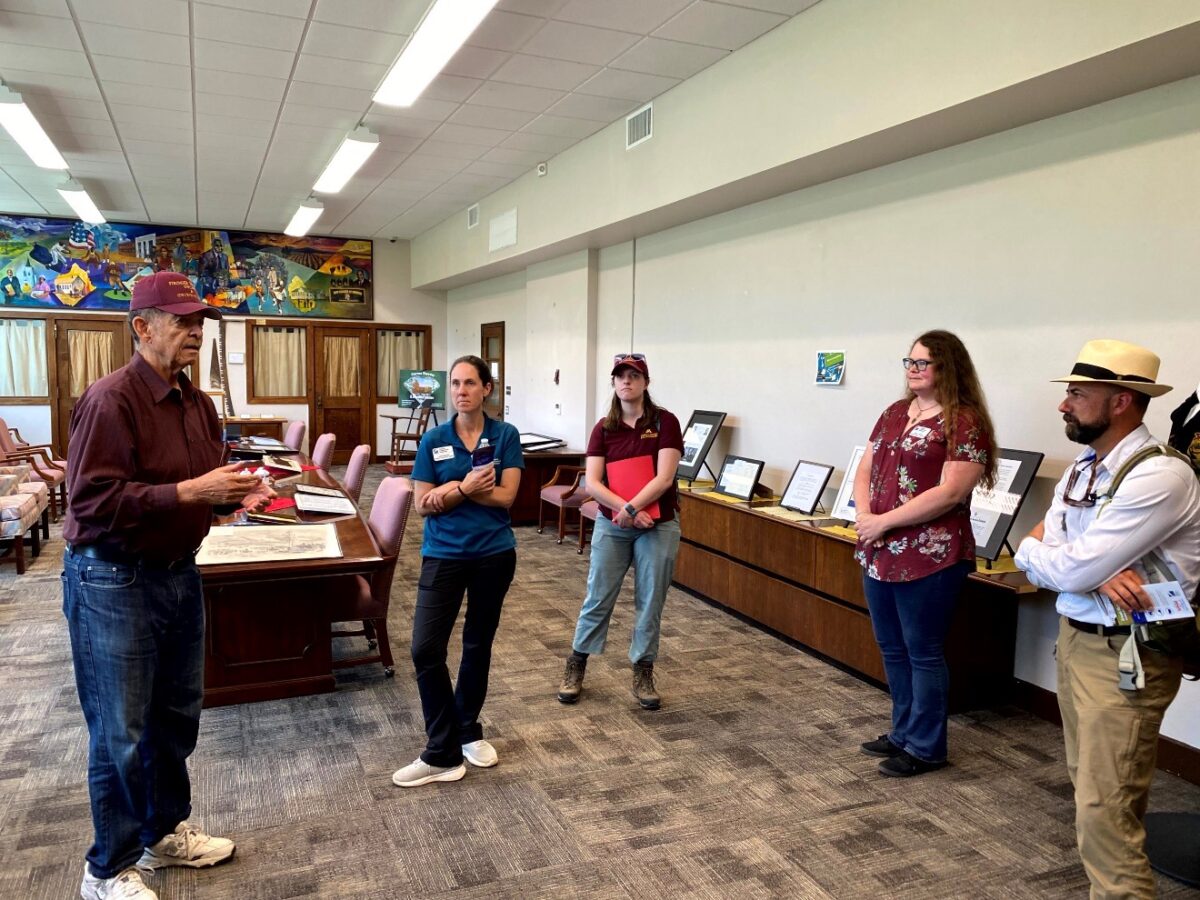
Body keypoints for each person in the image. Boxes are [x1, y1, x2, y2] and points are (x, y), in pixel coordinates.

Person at [63, 271, 273, 900]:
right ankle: (107, 868)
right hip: (110, 578)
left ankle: (161, 834)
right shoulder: (110, 400)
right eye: (181, 321)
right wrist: (193, 492)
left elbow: (203, 489)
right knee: (120, 730)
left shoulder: (198, 404)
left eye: (198, 322)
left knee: (176, 716)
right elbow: (91, 503)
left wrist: (236, 496)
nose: (193, 332)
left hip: (178, 572)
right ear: (142, 327)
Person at [1014, 339, 1200, 899]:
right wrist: (1071, 562)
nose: (1063, 404)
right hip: (1077, 641)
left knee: (1104, 806)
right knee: (1098, 790)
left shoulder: (1159, 476)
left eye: (1076, 393)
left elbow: (1067, 563)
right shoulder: (1084, 466)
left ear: (1120, 401)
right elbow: (1043, 545)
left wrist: (1072, 564)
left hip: (1129, 655)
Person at [852, 330, 996, 777]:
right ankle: (902, 731)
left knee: (923, 650)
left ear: (947, 368)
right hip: (879, 548)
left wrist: (885, 521)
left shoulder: (964, 421)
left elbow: (952, 491)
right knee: (891, 647)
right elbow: (866, 467)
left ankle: (927, 746)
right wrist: (865, 516)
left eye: (923, 363)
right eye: (909, 362)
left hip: (931, 554)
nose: (913, 370)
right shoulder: (895, 412)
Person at [392, 355, 524, 788]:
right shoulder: (434, 439)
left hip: (493, 553)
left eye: (470, 382)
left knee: (477, 644)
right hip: (444, 555)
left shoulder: (505, 435)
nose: (461, 390)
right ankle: (442, 750)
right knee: (425, 650)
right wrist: (466, 487)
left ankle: (466, 729)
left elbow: (506, 497)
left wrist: (454, 491)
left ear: (487, 389)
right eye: (455, 383)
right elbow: (420, 503)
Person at [557, 353, 684, 710]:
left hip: (657, 526)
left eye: (634, 376)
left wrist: (634, 509)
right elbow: (594, 483)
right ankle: (576, 663)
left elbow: (665, 478)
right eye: (620, 376)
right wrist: (625, 511)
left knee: (650, 600)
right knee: (598, 596)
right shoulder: (604, 428)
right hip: (613, 524)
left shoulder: (665, 422)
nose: (626, 381)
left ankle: (643, 668)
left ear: (645, 382)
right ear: (613, 384)